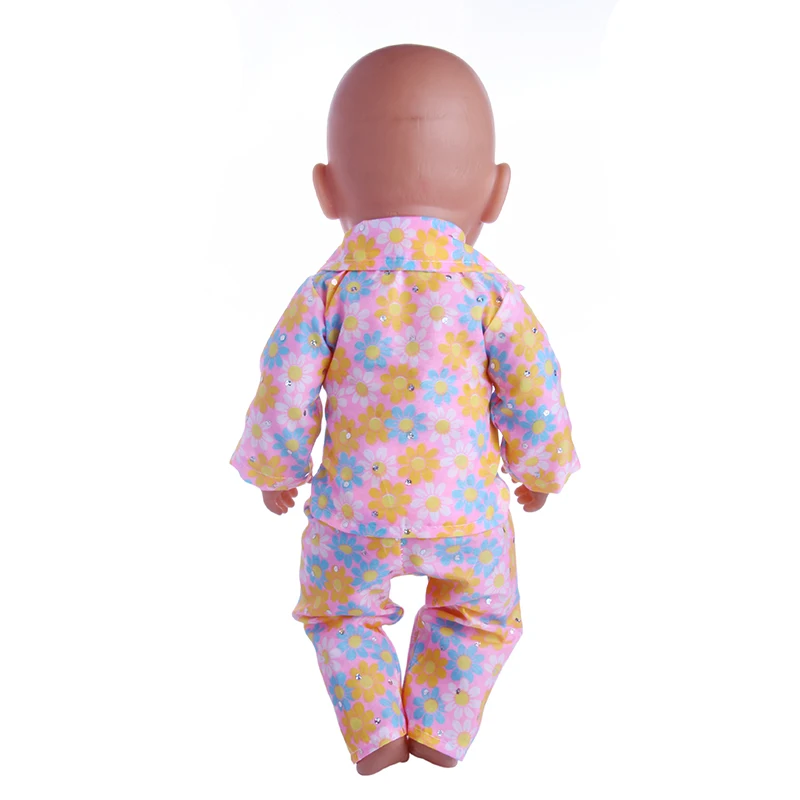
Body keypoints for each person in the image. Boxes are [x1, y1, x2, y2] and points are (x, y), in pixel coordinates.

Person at [230, 44, 580, 775]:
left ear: (327, 190)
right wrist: (541, 470)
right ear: (496, 193)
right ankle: (441, 728)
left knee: (338, 613)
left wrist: (275, 469)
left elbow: (284, 385)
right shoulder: (491, 294)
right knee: (482, 614)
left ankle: (376, 732)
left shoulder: (327, 291)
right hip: (466, 515)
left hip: (351, 515)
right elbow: (534, 388)